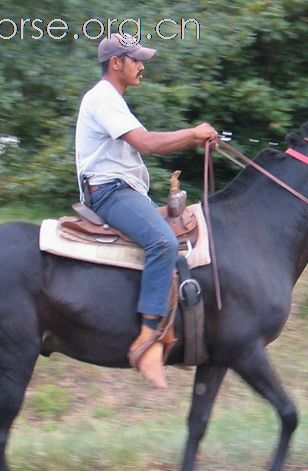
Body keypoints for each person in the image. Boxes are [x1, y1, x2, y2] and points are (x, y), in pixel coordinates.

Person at [75, 32, 218, 389]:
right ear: (116, 63)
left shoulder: (113, 99)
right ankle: (147, 337)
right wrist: (193, 133)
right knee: (162, 243)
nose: (142, 66)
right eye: (136, 59)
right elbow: (146, 142)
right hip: (110, 192)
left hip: (121, 189)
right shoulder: (102, 98)